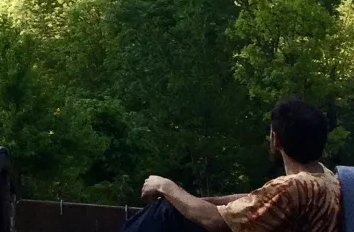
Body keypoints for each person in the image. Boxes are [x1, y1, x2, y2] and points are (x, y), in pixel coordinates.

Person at [121, 98, 341, 232]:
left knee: (166, 212)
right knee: (173, 207)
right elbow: (255, 201)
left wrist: (165, 186)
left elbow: (216, 222)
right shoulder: (324, 177)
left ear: (276, 141)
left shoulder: (292, 187)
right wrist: (193, 200)